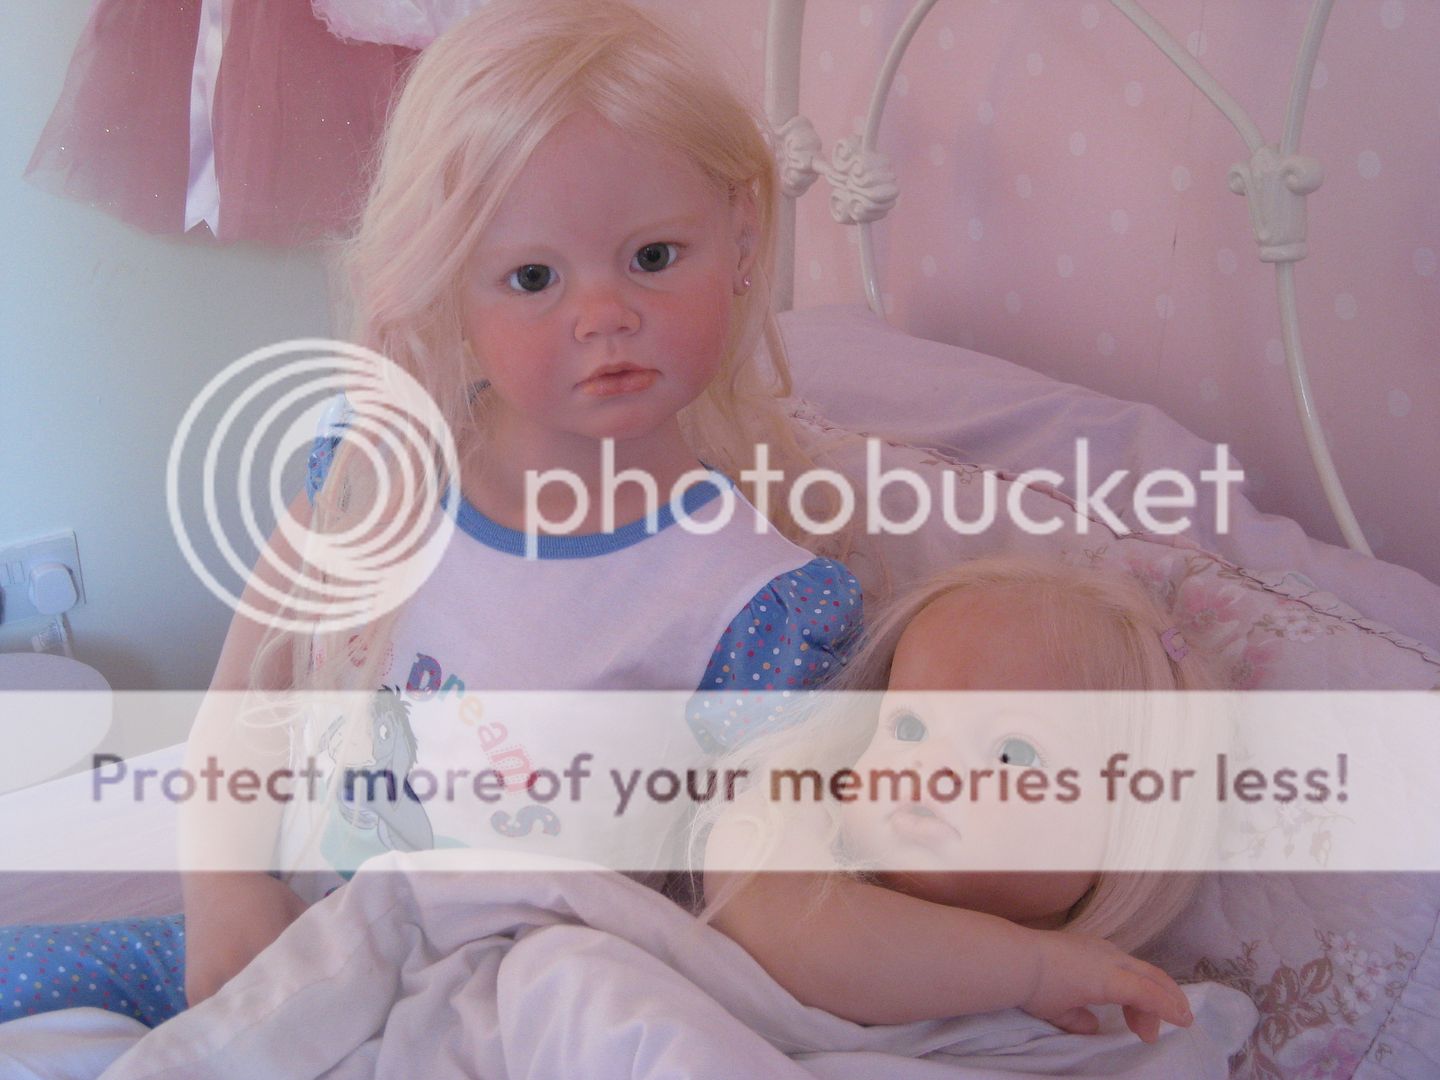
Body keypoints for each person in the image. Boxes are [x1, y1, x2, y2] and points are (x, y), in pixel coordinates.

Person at [0, 0, 861, 1028]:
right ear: (454, 291)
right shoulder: (381, 466)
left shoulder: (753, 600)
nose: (605, 314)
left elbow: (747, 914)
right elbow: (251, 698)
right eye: (534, 277)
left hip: (490, 1017)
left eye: (655, 256)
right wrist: (227, 887)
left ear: (743, 242)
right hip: (287, 929)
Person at [699, 556, 1222, 1042]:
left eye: (1013, 753)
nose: (932, 764)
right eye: (908, 726)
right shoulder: (785, 822)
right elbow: (807, 941)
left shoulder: (1119, 1016)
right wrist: (1034, 969)